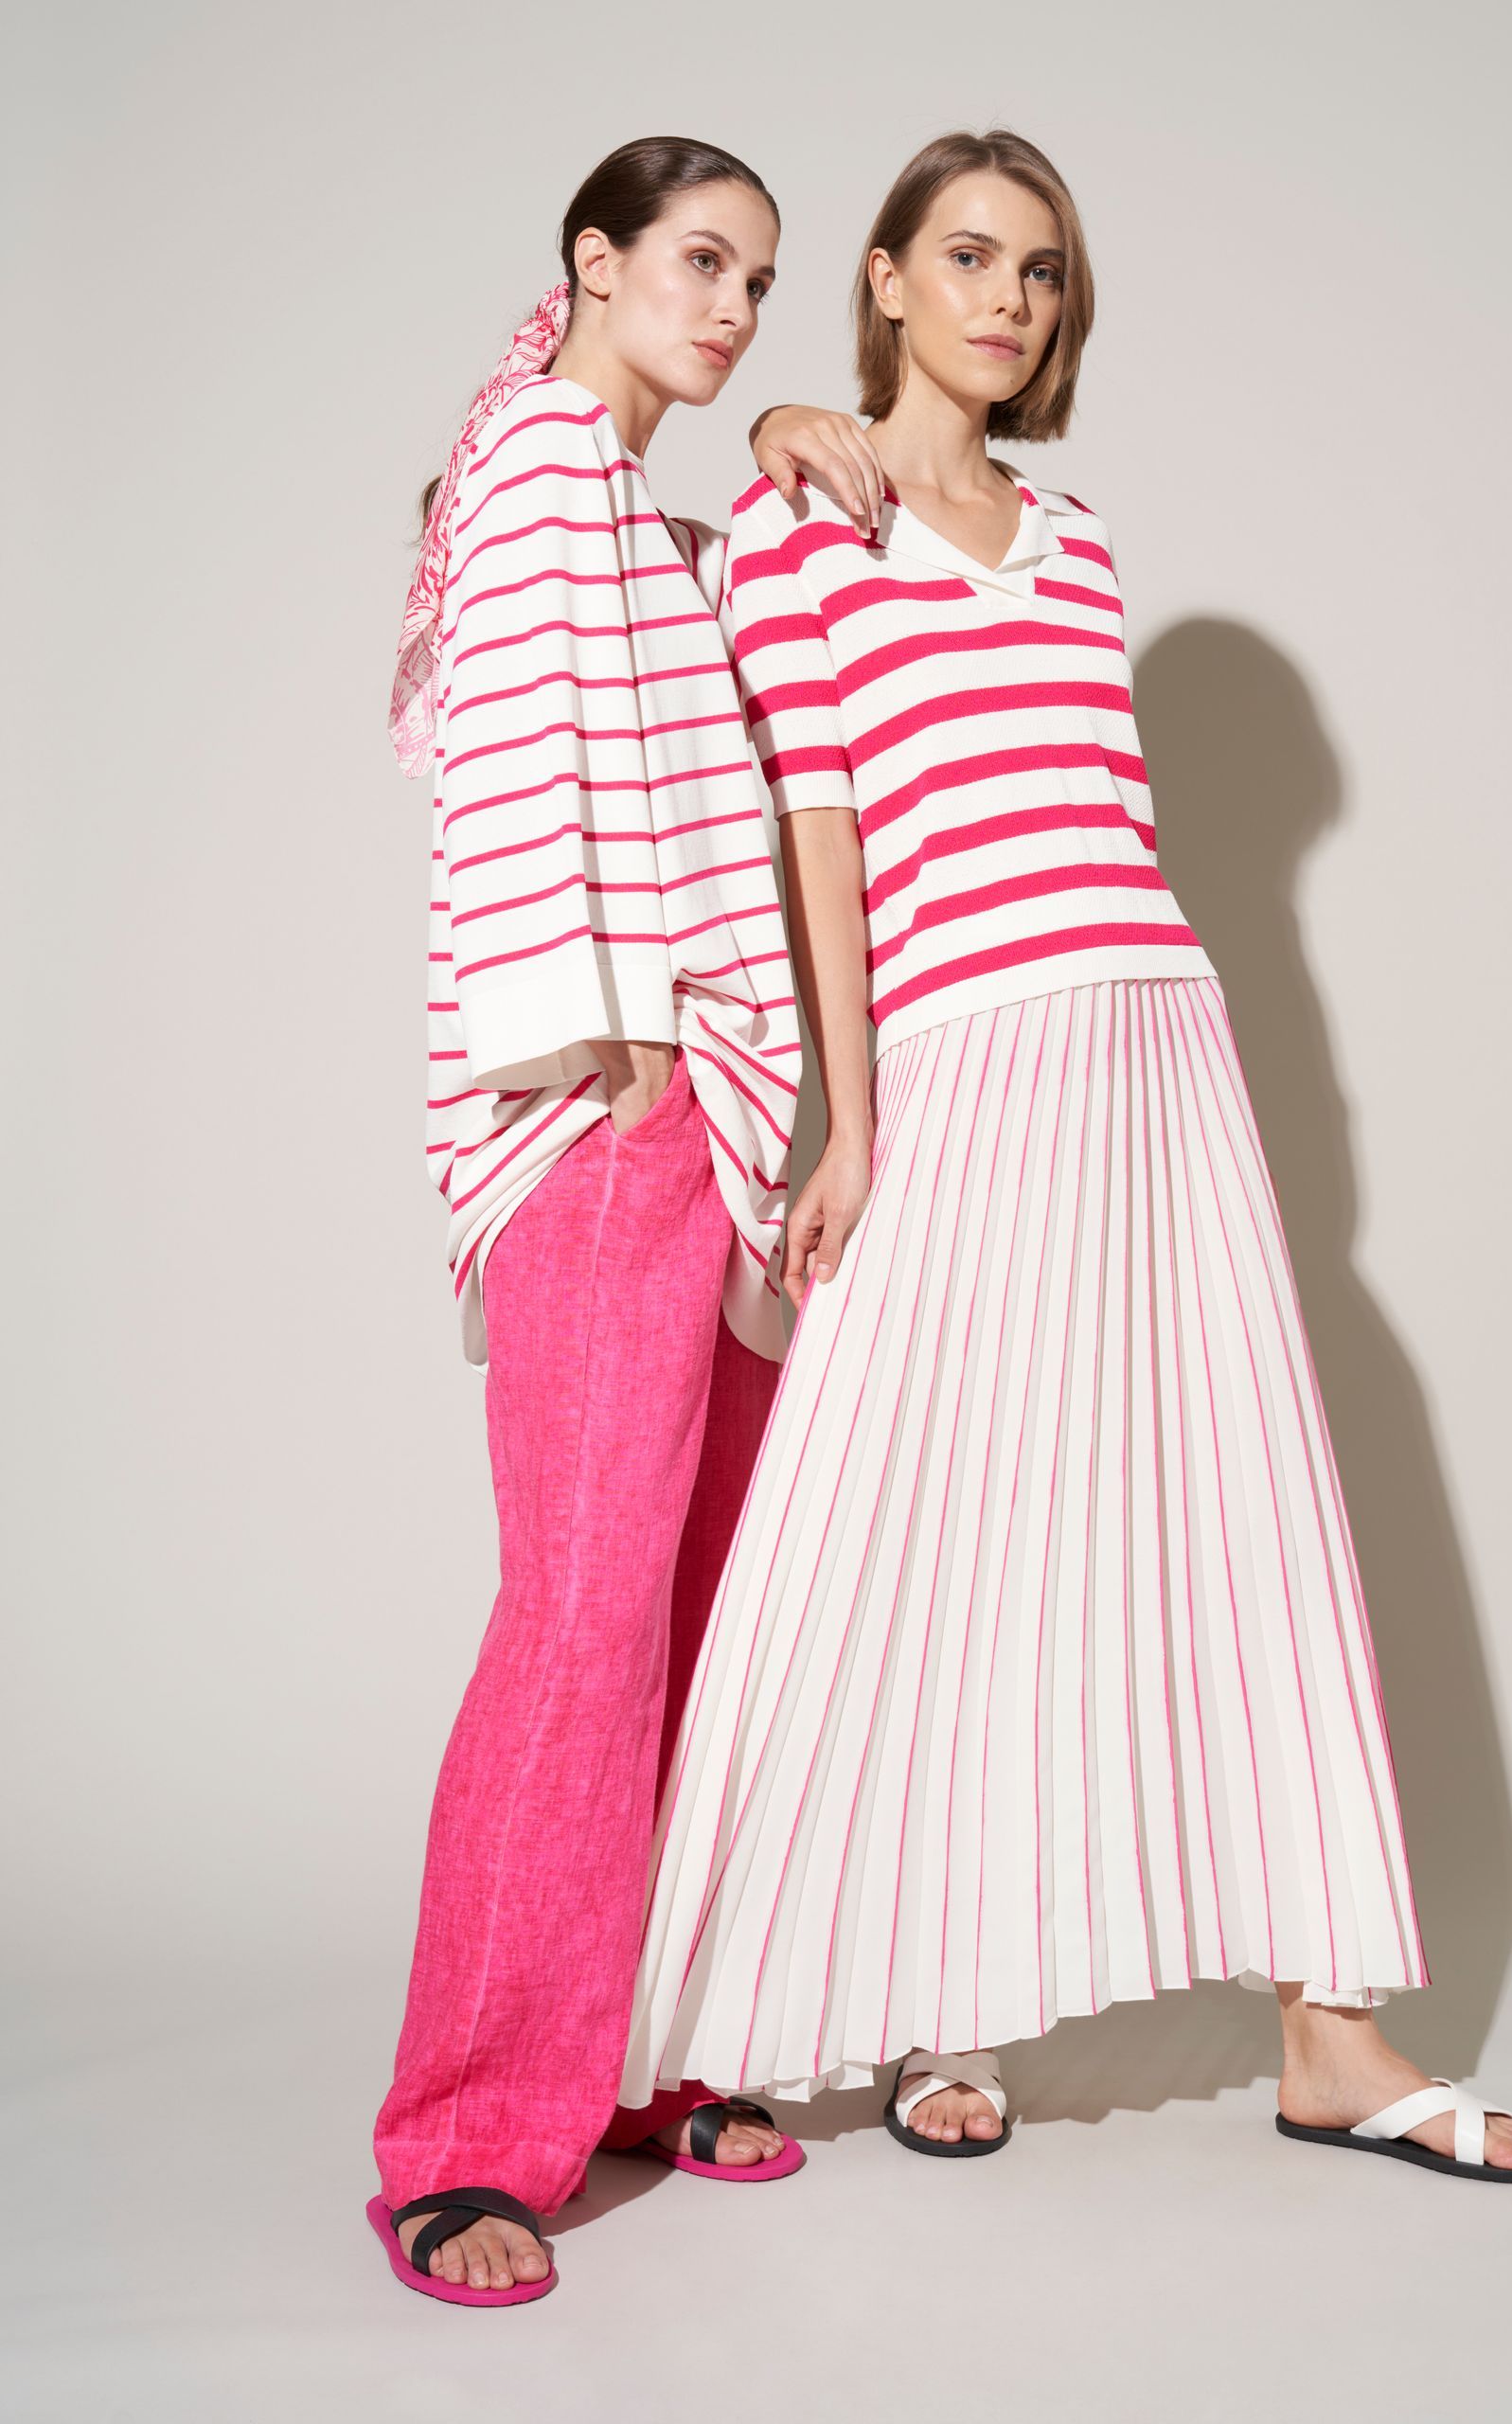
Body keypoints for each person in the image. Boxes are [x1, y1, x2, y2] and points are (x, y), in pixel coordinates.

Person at [621, 128, 1512, 2187]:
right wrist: (852, 1121)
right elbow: (820, 835)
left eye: (1038, 270)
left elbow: (1105, 822)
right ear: (884, 278)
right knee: (949, 1522)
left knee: (1245, 1521)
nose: (1007, 299)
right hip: (965, 1057)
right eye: (966, 256)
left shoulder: (1079, 535)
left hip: (1162, 1045)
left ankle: (1331, 2025)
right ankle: (929, 1998)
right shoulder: (787, 520)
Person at [368, 134, 895, 2310]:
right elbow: (509, 757)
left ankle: (643, 2056)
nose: (735, 307)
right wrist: (603, 1050)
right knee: (584, 1623)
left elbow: (725, 629)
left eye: (759, 280)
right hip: (605, 1118)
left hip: (707, 1135)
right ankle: (468, 2135)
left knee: (694, 1618)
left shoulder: (627, 509)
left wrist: (774, 442)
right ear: (591, 262)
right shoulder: (532, 465)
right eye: (699, 261)